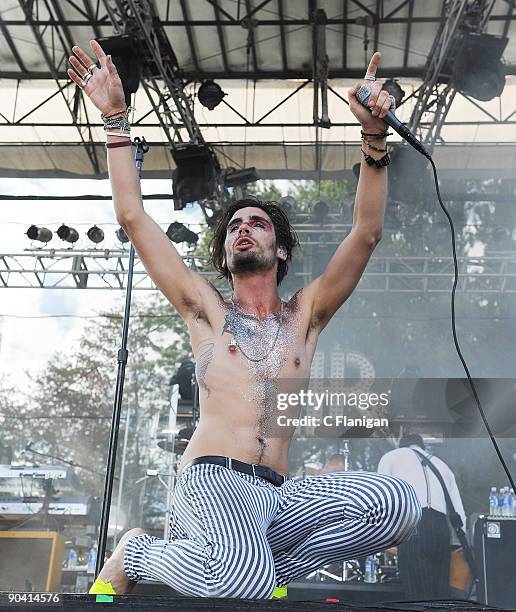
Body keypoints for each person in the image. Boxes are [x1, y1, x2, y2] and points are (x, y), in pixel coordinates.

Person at [67, 40, 421, 599]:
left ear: (280, 251)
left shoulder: (305, 315)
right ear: (225, 253)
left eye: (257, 223)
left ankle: (258, 569)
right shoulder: (206, 310)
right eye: (234, 226)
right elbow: (134, 219)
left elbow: (366, 233)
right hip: (212, 484)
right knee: (239, 578)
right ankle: (137, 550)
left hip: (279, 496)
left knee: (398, 504)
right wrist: (116, 120)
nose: (243, 228)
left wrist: (374, 138)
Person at [377, 434, 467, 600]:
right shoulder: (442, 466)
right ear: (422, 447)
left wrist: (385, 536)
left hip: (412, 521)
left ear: (402, 446)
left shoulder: (391, 457)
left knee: (417, 591)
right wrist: (455, 546)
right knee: (440, 594)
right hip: (441, 528)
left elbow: (383, 498)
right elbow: (459, 514)